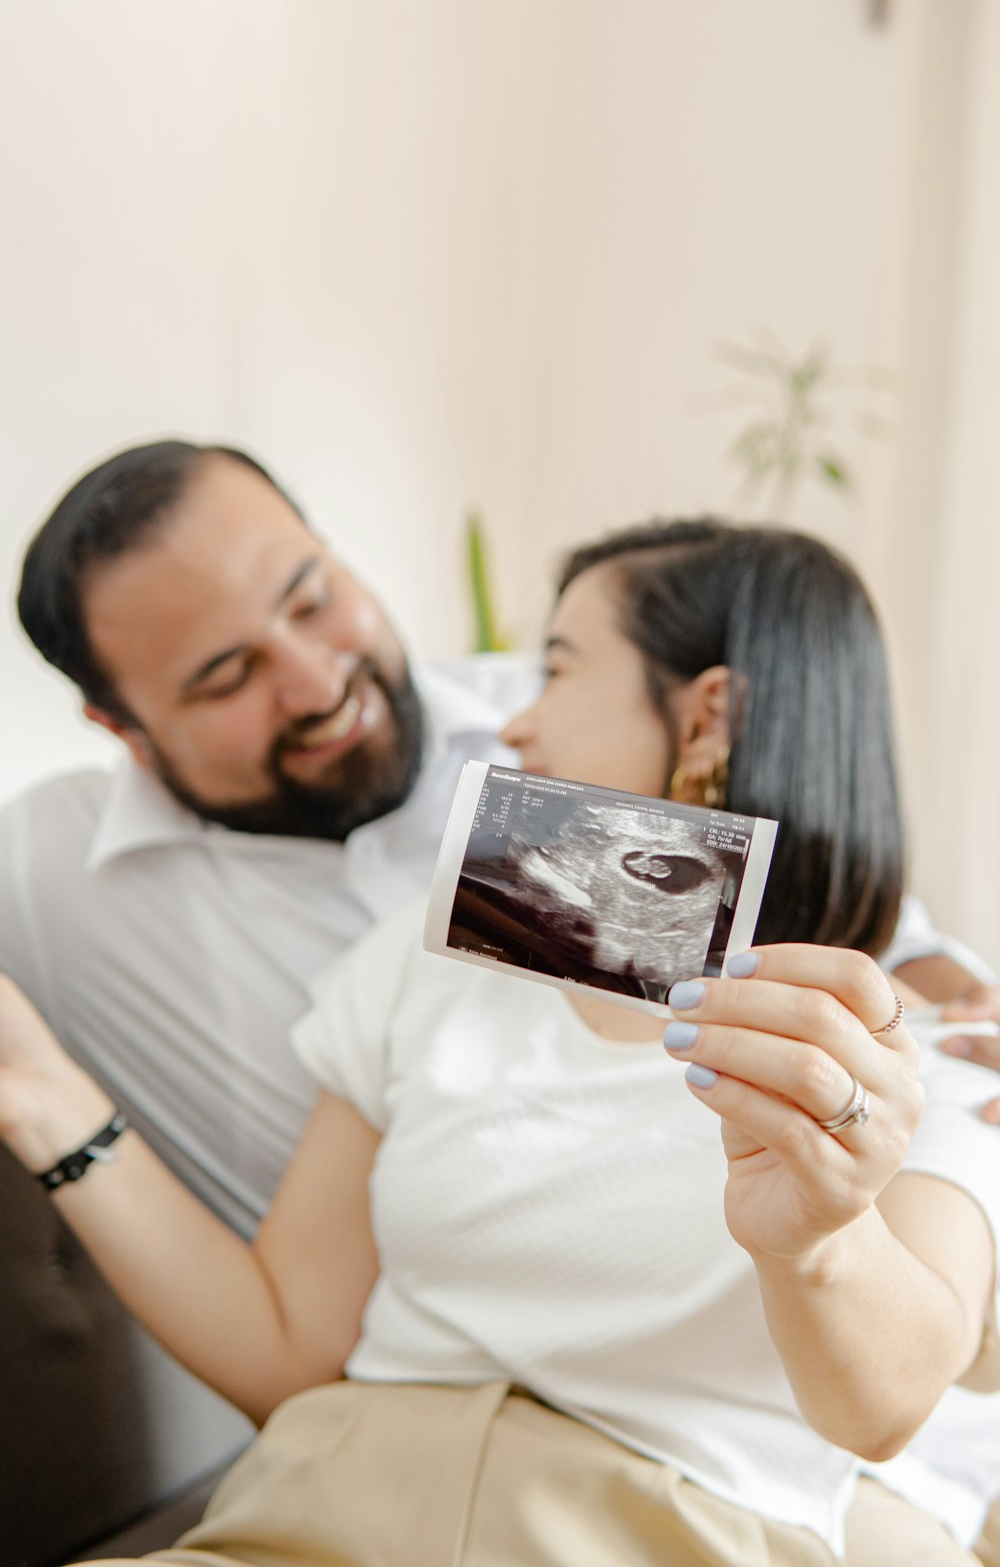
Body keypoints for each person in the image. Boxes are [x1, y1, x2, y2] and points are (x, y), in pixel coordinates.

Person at [1, 518, 997, 1567]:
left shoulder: (916, 1054)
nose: (513, 724)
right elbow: (291, 1343)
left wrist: (818, 1234)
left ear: (710, 714)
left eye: (557, 668)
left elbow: (882, 1408)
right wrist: (42, 1093)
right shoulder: (431, 956)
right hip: (320, 1515)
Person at [0, 439, 532, 1234]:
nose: (317, 685)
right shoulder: (50, 872)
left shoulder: (557, 728)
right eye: (226, 677)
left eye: (312, 599)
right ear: (122, 728)